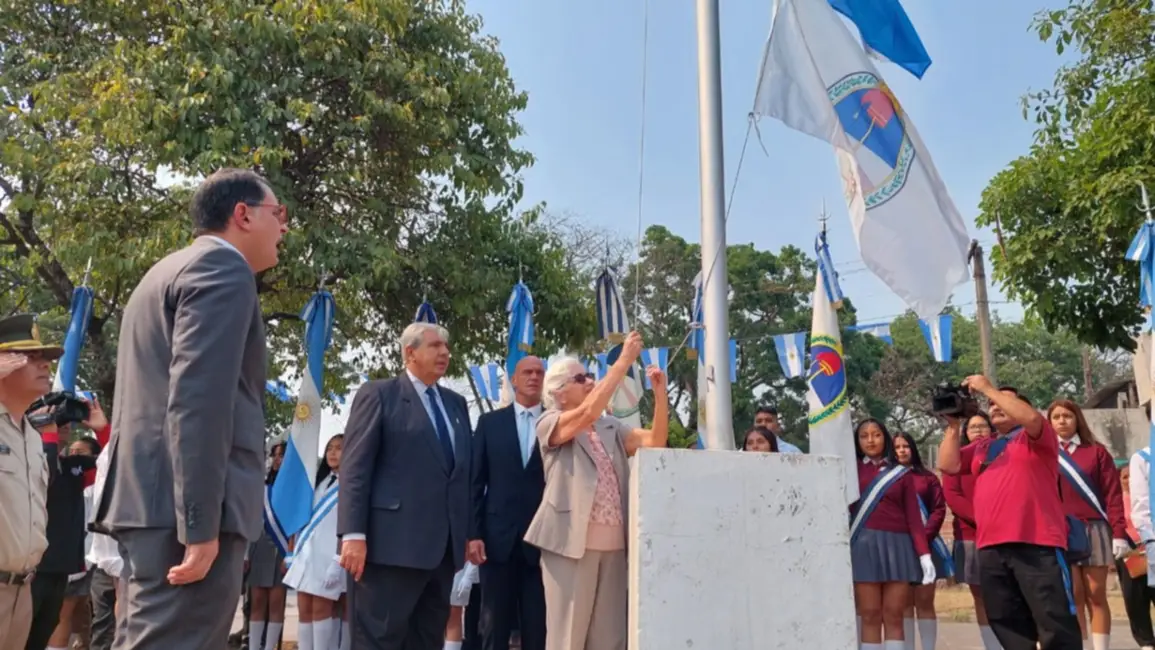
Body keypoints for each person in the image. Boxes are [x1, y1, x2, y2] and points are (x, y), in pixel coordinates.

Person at [92, 168, 286, 649]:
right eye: (278, 213)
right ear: (242, 214)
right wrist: (199, 525)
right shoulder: (222, 270)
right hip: (184, 516)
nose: (284, 226)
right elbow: (199, 402)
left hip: (154, 503)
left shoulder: (166, 270)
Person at [525, 332, 669, 650]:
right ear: (559, 392)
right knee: (569, 638)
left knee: (609, 640)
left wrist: (660, 396)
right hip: (570, 543)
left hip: (615, 545)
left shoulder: (609, 426)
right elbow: (587, 413)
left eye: (590, 375)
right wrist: (623, 361)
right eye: (581, 378)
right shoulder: (550, 421)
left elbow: (655, 441)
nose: (590, 381)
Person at [337, 322, 472, 650]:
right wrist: (353, 534)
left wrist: (466, 533)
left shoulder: (455, 404)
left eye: (446, 347)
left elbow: (459, 476)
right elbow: (355, 468)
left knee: (427, 640)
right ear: (409, 353)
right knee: (377, 641)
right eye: (435, 346)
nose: (444, 353)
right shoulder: (380, 395)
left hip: (442, 553)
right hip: (389, 549)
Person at [938, 378, 1082, 650]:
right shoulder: (984, 446)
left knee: (1053, 619)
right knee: (1006, 621)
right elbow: (948, 464)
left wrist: (988, 388)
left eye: (1002, 402)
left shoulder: (1037, 437)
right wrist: (954, 425)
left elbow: (1032, 419)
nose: (994, 406)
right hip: (991, 546)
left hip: (1036, 542)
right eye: (991, 404)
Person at [468, 356, 547, 650]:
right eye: (527, 372)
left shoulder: (556, 423)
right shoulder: (490, 424)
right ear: (514, 379)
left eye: (539, 373)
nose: (534, 377)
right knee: (493, 626)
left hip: (542, 543)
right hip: (496, 541)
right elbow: (475, 483)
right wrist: (473, 534)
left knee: (538, 628)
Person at [0, 318, 62, 650]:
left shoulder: (33, 438)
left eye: (46, 358)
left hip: (22, 590)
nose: (45, 364)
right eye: (30, 356)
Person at [1048, 399, 1128, 650]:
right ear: (1049, 423)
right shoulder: (1046, 453)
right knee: (1073, 594)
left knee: (1096, 593)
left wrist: (1119, 533)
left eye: (1067, 416)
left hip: (1094, 529)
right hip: (1061, 531)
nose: (1062, 421)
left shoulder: (1096, 452)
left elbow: (1113, 495)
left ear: (1077, 419)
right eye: (1056, 417)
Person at [850, 419, 933, 650]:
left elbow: (914, 518)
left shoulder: (901, 474)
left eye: (876, 434)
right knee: (869, 613)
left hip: (898, 548)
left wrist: (924, 554)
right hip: (863, 546)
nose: (870, 440)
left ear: (885, 438)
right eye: (864, 436)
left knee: (895, 614)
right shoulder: (850, 470)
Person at [941, 411, 1001, 650]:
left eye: (983, 426)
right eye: (973, 427)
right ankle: (991, 645)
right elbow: (953, 496)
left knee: (1008, 593)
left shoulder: (1003, 453)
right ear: (965, 433)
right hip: (971, 535)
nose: (978, 431)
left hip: (1004, 534)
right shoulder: (956, 458)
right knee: (981, 596)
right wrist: (983, 519)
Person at [285, 435, 346, 650]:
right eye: (329, 448)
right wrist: (291, 552)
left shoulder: (351, 484)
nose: (332, 452)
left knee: (322, 611)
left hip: (331, 557)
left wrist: (338, 560)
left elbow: (349, 525)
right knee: (305, 611)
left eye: (339, 448)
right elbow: (300, 517)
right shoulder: (318, 483)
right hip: (307, 554)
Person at [892, 432, 947, 650]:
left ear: (913, 449)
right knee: (904, 604)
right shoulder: (888, 478)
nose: (902, 450)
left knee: (925, 602)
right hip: (899, 547)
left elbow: (938, 509)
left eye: (906, 446)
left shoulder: (928, 478)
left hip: (926, 546)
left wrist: (922, 538)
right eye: (897, 447)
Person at [248, 442, 289, 650]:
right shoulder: (262, 487)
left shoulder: (294, 488)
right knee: (257, 601)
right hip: (259, 546)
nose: (278, 459)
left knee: (276, 602)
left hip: (282, 549)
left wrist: (291, 554)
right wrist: (246, 555)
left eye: (282, 455)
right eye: (275, 455)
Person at [1118, 458, 1155, 650]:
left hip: (1151, 549)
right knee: (1135, 600)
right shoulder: (1115, 502)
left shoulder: (1148, 497)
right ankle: (1146, 642)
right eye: (1125, 476)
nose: (1129, 480)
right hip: (1128, 554)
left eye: (1133, 476)